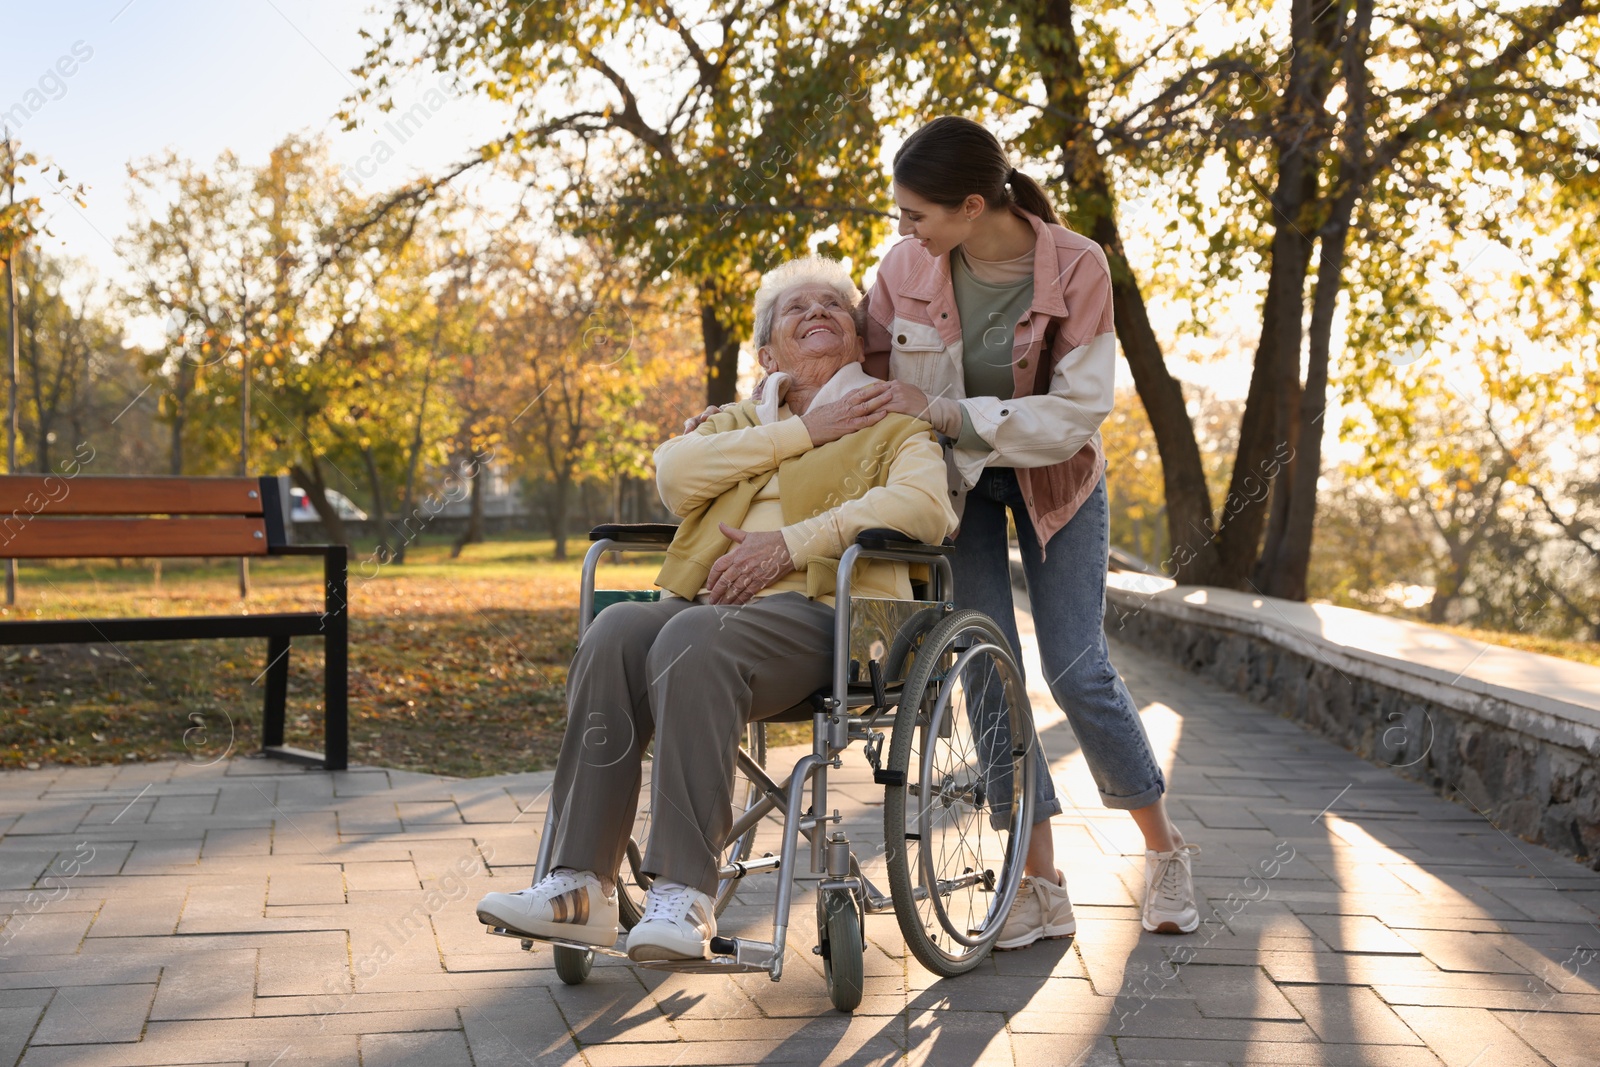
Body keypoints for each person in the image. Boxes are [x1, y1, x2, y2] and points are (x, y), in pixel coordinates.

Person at [475, 256, 957, 963]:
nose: (818, 310)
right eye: (798, 308)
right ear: (767, 354)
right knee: (614, 630)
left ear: (858, 340)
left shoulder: (889, 419)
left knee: (695, 636)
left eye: (834, 305)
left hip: (830, 612)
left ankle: (684, 893)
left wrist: (790, 544)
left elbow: (925, 507)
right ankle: (581, 885)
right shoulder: (734, 423)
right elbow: (673, 475)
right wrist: (805, 431)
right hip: (711, 612)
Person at [861, 116, 1200, 943]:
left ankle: (1164, 852)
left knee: (1078, 667)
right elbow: (858, 371)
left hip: (1056, 477)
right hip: (956, 485)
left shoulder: (1079, 265)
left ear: (972, 205)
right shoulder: (905, 267)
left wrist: (944, 409)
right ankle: (1038, 879)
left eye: (918, 216)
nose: (905, 233)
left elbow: (1077, 413)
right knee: (987, 670)